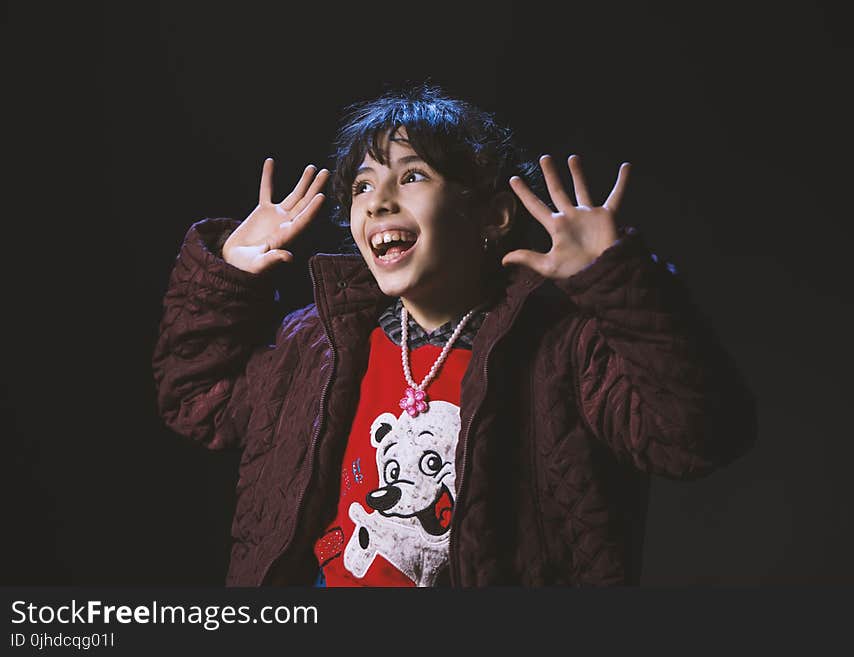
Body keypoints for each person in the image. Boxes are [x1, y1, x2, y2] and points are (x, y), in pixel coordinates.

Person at [152, 83, 757, 587]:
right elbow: (196, 400)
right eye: (363, 186)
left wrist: (615, 278)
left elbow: (697, 435)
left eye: (411, 177)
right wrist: (226, 277)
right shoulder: (316, 344)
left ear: (491, 215)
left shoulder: (561, 349)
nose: (378, 202)